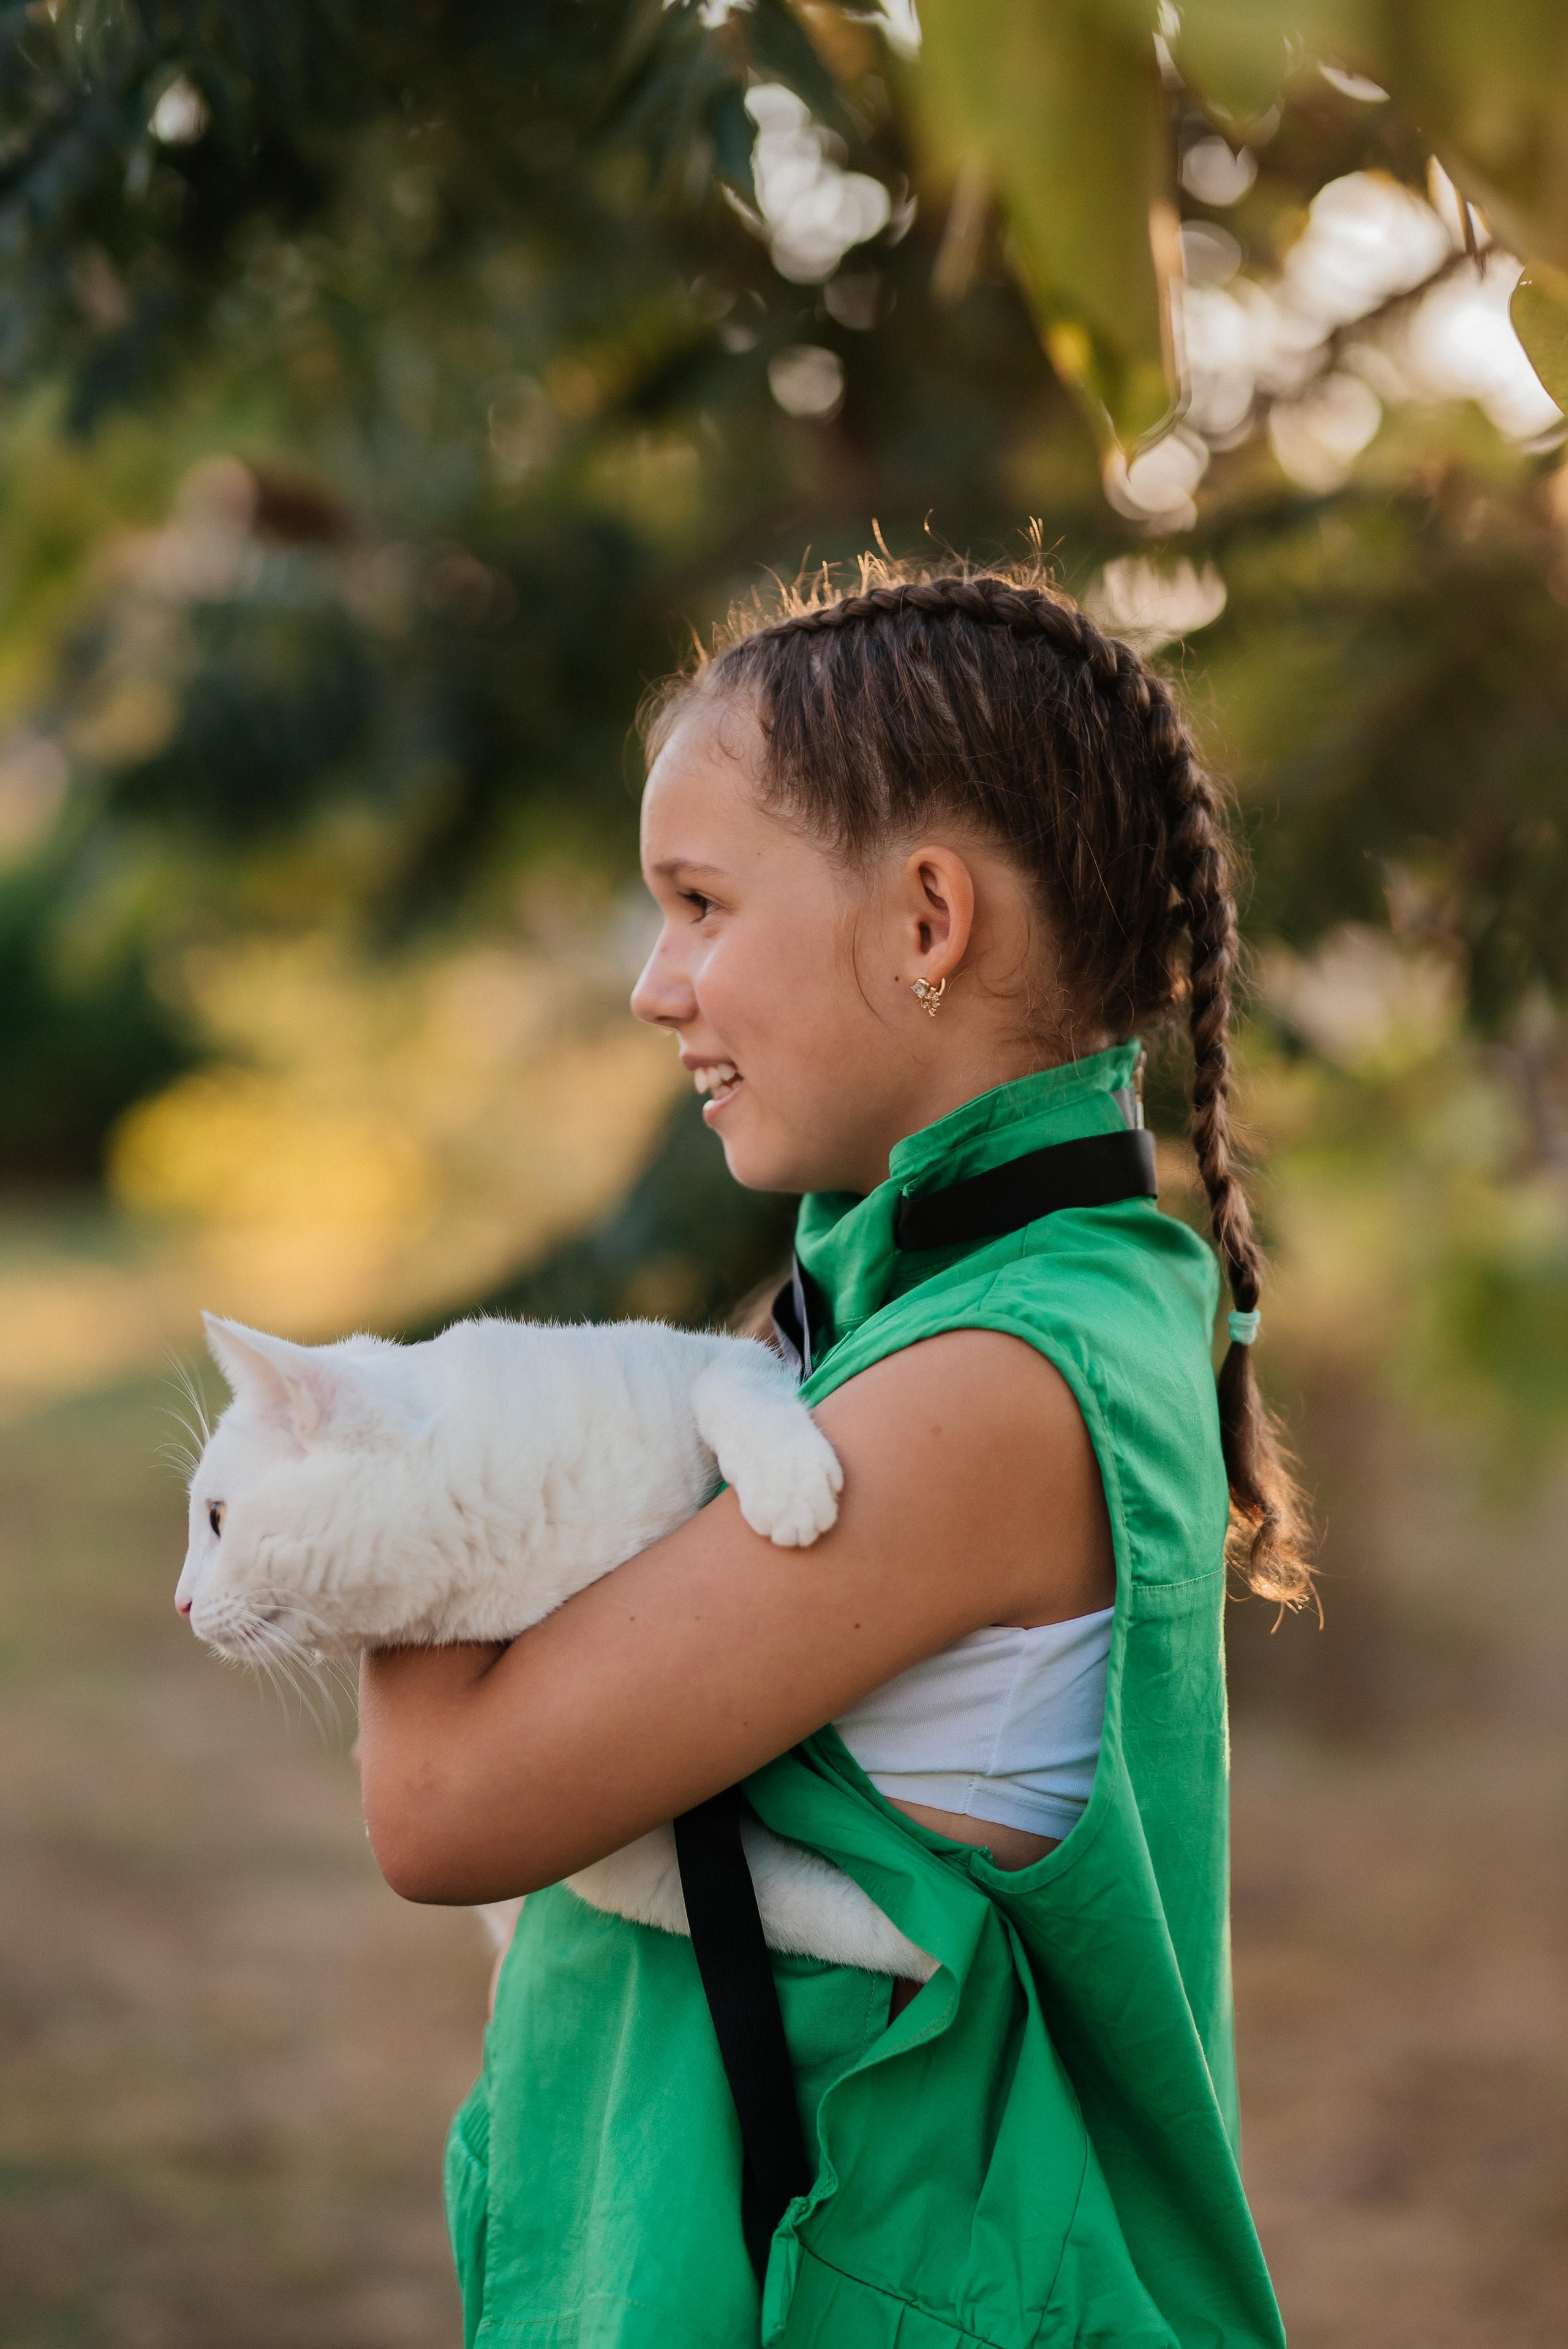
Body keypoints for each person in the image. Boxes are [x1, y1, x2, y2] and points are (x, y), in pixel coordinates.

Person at [356, 562, 1311, 2349]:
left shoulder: (991, 1382)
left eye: (700, 902)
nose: (657, 987)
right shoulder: (947, 1304)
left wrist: (393, 1481)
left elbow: (441, 1810)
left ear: (928, 917)